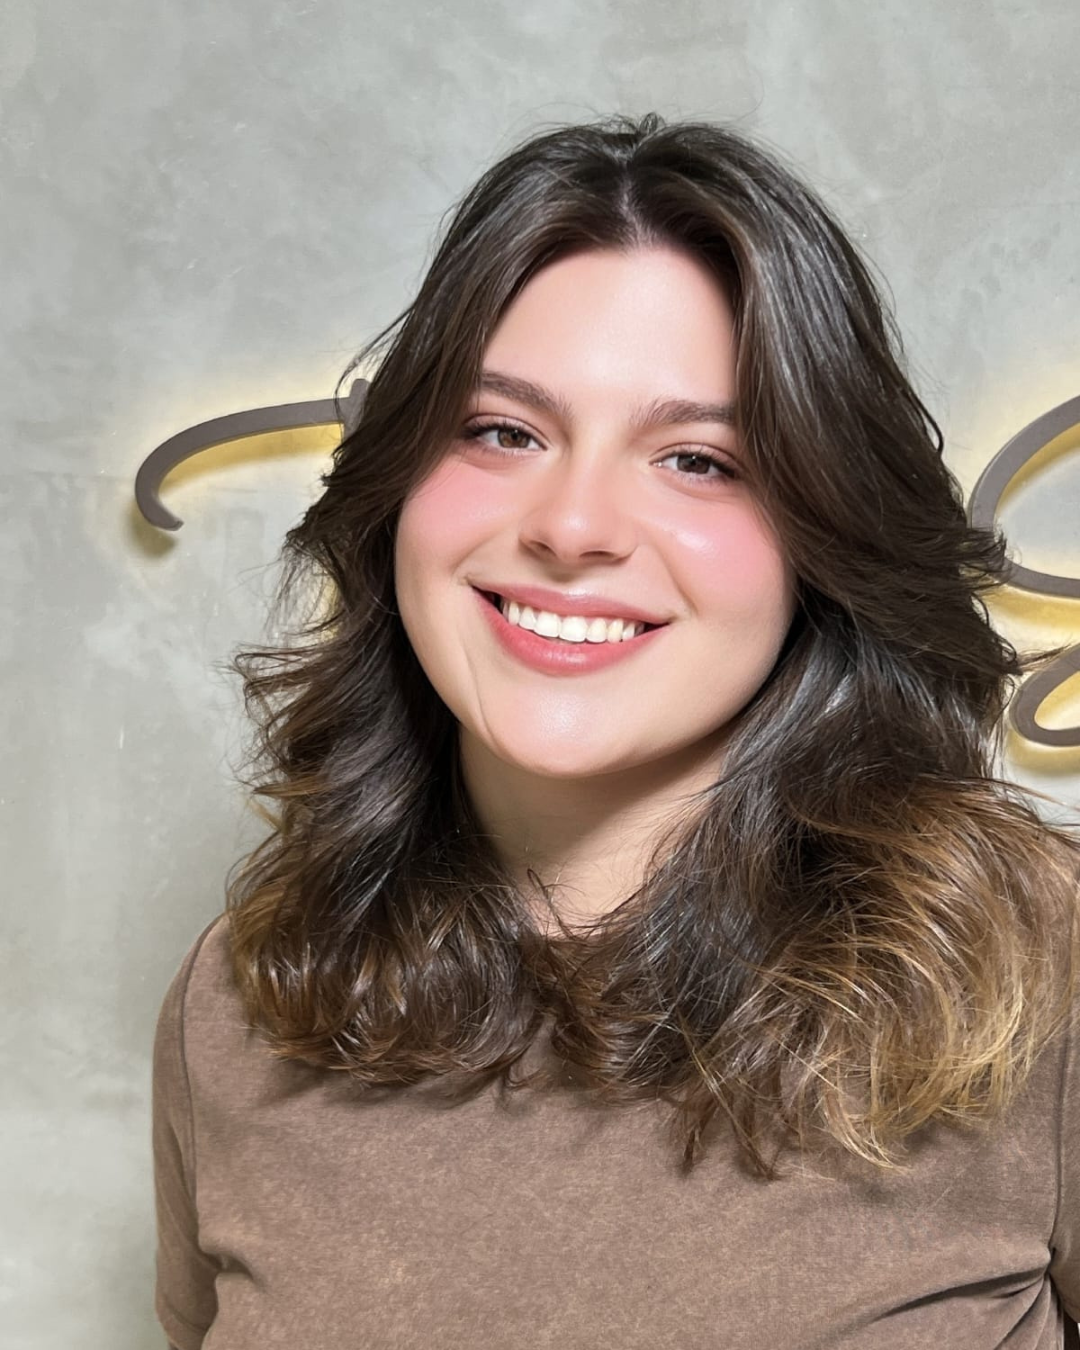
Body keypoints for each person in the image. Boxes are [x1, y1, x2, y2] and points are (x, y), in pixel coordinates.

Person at [152, 112, 1080, 1349]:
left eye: (698, 459)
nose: (573, 524)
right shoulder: (241, 994)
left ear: (825, 534)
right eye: (502, 431)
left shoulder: (1042, 965)